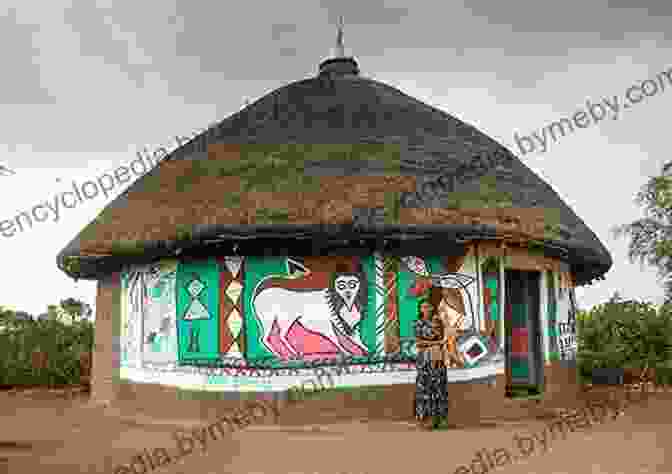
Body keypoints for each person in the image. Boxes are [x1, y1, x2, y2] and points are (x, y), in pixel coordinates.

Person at [414, 300, 450, 430]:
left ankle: (439, 419)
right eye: (423, 307)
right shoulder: (418, 323)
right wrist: (435, 343)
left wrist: (437, 325)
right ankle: (425, 419)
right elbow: (418, 343)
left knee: (439, 386)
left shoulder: (437, 322)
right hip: (424, 358)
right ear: (420, 309)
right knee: (425, 387)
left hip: (437, 356)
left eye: (428, 306)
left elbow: (442, 338)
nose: (426, 309)